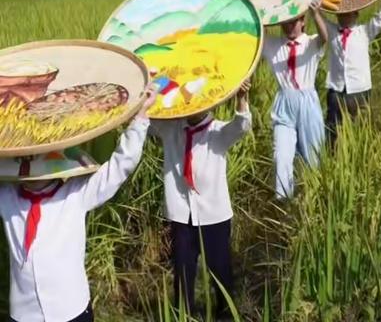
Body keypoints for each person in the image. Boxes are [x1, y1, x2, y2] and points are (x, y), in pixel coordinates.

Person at [0, 87, 157, 322]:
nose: (31, 166)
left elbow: (120, 165)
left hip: (70, 308)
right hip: (25, 313)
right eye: (25, 157)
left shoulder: (76, 194)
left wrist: (141, 117)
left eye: (38, 155)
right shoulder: (7, 198)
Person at [148, 81, 252, 320]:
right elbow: (146, 124)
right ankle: (184, 314)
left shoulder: (217, 131)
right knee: (183, 270)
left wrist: (242, 99)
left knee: (220, 270)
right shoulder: (171, 129)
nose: (195, 108)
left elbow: (242, 126)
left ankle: (225, 313)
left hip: (213, 215)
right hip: (181, 214)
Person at [261, 1, 328, 199]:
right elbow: (259, 34)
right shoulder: (274, 45)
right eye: (285, 22)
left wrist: (316, 14)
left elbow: (325, 37)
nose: (289, 26)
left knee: (313, 156)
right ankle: (283, 200)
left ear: (302, 22)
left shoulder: (311, 42)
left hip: (307, 101)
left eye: (293, 22)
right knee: (281, 155)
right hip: (284, 102)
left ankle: (313, 197)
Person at [322, 0, 381, 146]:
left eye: (348, 13)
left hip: (359, 90)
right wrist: (314, 6)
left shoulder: (364, 32)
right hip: (337, 89)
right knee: (333, 127)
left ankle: (359, 155)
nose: (344, 17)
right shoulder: (333, 32)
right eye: (341, 14)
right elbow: (319, 18)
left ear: (356, 14)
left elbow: (380, 18)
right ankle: (331, 156)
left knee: (361, 127)